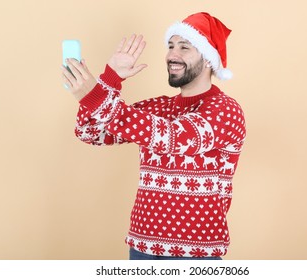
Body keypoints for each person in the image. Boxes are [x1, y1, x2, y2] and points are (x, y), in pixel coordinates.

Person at [61, 12, 246, 260]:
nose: (172, 55)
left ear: (209, 58)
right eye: (170, 46)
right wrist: (111, 78)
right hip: (141, 248)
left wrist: (94, 95)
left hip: (195, 254)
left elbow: (173, 137)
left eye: (184, 47)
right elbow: (92, 132)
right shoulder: (159, 107)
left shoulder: (226, 110)